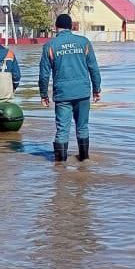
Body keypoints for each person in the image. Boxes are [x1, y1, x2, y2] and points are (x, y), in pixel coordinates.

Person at [38, 13, 102, 162]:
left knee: (62, 130)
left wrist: (43, 94)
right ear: (71, 26)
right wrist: (96, 89)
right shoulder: (84, 42)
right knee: (83, 127)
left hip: (62, 94)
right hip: (82, 92)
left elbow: (44, 74)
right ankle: (84, 161)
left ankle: (60, 166)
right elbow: (94, 68)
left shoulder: (50, 46)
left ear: (56, 27)